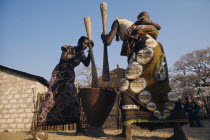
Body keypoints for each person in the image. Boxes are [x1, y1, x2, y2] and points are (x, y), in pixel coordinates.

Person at [101, 11, 188, 140]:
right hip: (158, 52)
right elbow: (156, 28)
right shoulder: (144, 29)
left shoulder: (119, 20)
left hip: (144, 50)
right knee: (159, 89)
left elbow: (108, 41)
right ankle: (179, 134)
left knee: (126, 88)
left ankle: (127, 133)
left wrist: (104, 36)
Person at [36, 36, 94, 134]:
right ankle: (39, 126)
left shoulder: (82, 54)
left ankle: (79, 127)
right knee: (51, 97)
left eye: (87, 45)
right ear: (79, 42)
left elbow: (87, 63)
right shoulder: (68, 48)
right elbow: (63, 59)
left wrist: (90, 51)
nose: (85, 46)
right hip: (59, 74)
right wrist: (76, 56)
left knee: (74, 99)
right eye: (84, 43)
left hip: (69, 77)